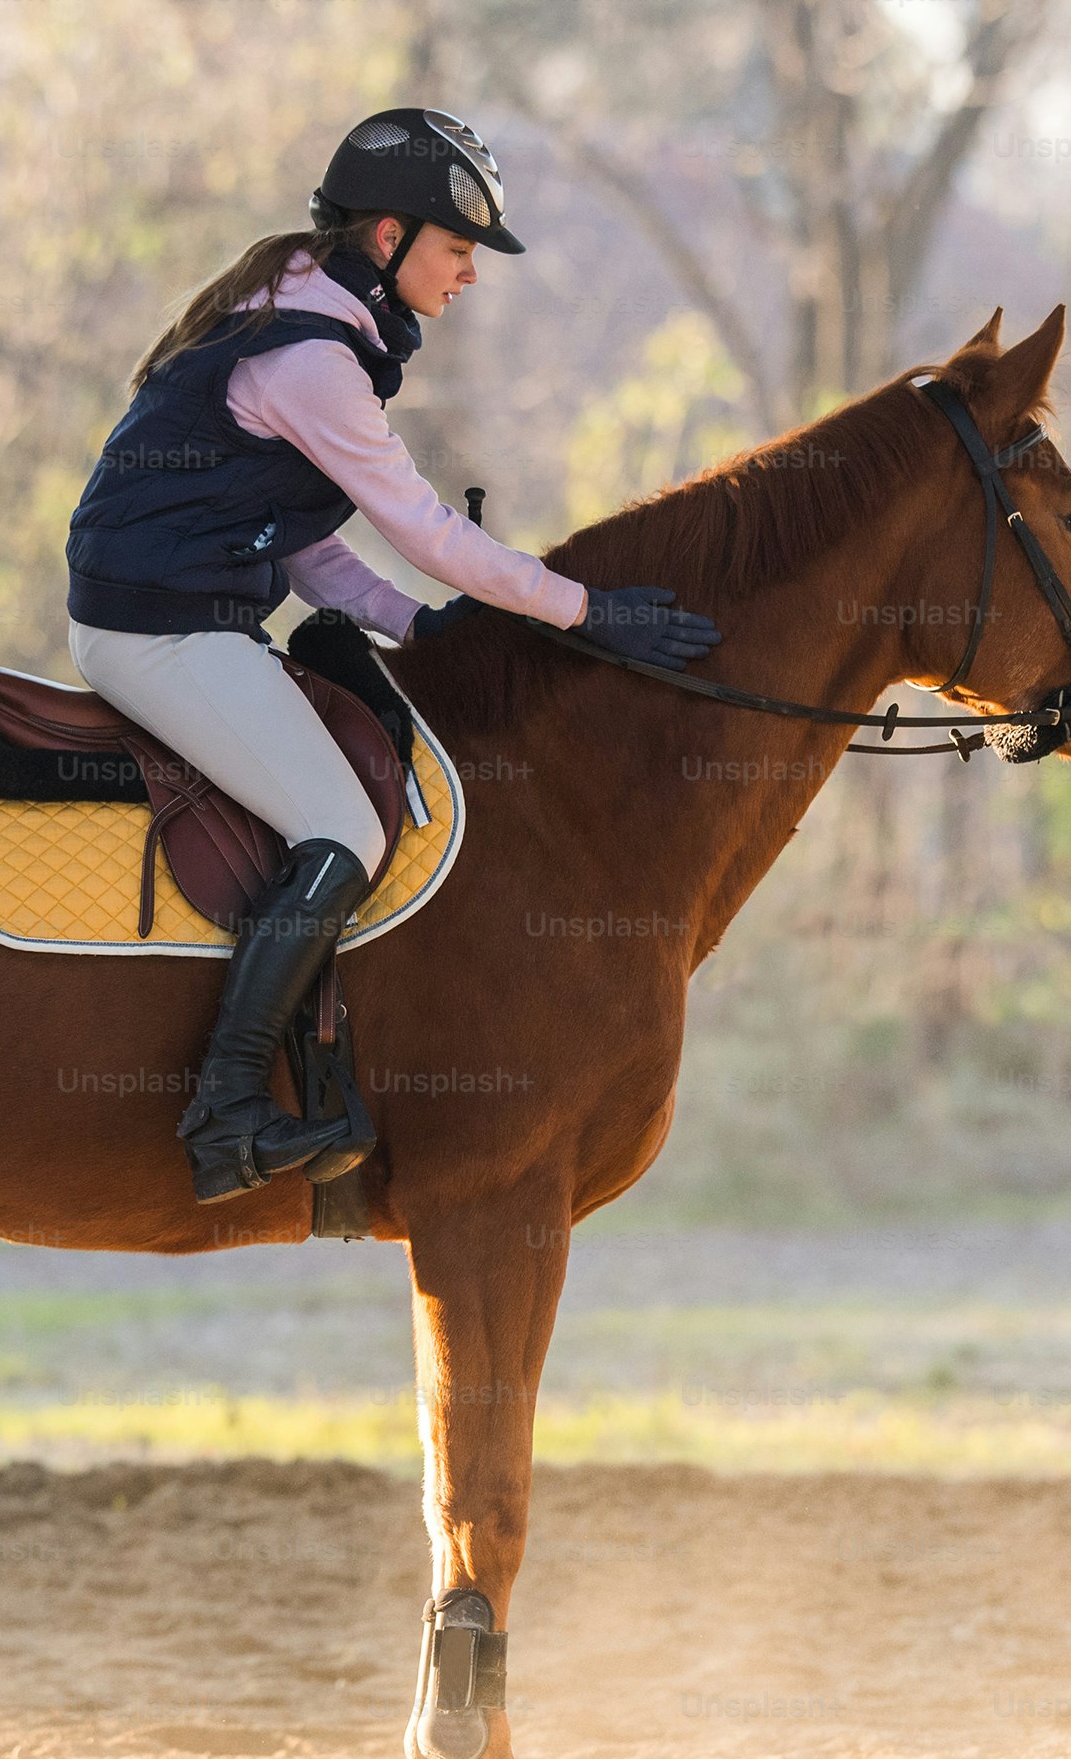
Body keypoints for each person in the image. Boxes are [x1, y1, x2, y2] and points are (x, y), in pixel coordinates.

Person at [65, 107, 724, 1203]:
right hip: (157, 634)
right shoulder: (315, 356)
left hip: (186, 617)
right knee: (342, 826)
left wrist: (413, 625)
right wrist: (583, 610)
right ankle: (228, 1107)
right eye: (459, 249)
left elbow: (306, 537)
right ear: (388, 239)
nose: (468, 276)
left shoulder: (301, 312)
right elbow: (428, 531)